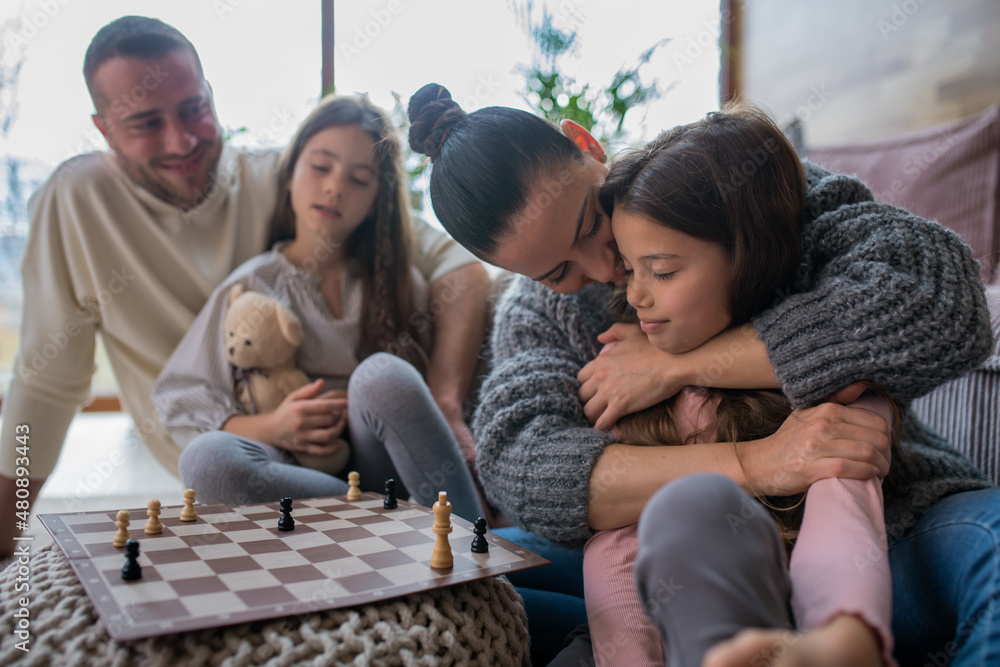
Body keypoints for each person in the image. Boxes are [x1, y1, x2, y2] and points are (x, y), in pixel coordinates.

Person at [406, 82, 997, 666]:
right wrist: (763, 462)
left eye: (591, 223)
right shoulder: (540, 315)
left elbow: (939, 301)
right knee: (456, 590)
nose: (605, 267)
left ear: (586, 145)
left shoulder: (718, 183)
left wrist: (676, 363)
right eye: (558, 271)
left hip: (885, 528)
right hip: (679, 560)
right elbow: (521, 461)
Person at [0, 18, 489, 557]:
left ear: (211, 95)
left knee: (383, 377)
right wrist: (6, 528)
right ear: (104, 129)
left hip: (374, 448)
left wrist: (445, 402)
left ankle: (465, 552)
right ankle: (396, 529)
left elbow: (454, 264)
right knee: (212, 459)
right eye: (144, 122)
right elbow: (45, 384)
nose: (181, 140)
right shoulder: (78, 200)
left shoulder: (283, 175)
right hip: (257, 466)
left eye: (193, 109)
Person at [581, 106, 896, 667]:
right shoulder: (629, 380)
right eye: (630, 269)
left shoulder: (823, 381)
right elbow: (614, 555)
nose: (635, 296)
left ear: (747, 260)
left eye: (664, 271)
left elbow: (845, 512)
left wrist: (848, 634)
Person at [152, 95, 485, 521]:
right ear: (290, 173)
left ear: (374, 203)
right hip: (296, 472)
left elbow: (415, 416)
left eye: (359, 179)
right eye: (321, 167)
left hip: (389, 471)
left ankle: (475, 553)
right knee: (206, 460)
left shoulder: (400, 284)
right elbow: (181, 401)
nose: (335, 188)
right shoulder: (252, 285)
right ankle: (380, 524)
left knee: (382, 377)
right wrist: (276, 426)